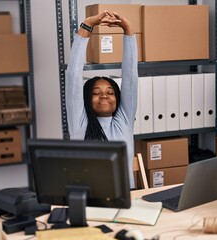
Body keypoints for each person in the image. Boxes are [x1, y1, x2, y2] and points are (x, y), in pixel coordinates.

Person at [65, 11, 138, 189]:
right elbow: (73, 76)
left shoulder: (124, 121)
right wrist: (87, 26)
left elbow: (130, 77)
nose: (104, 95)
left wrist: (128, 30)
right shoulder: (80, 123)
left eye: (110, 92)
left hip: (127, 200)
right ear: (86, 99)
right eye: (96, 92)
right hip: (90, 202)